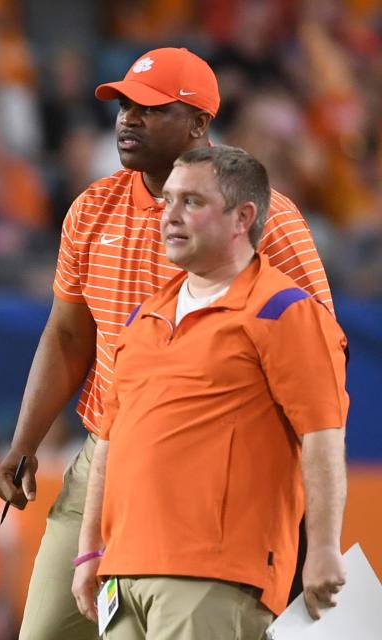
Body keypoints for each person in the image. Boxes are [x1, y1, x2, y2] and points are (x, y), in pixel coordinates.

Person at [0, 47, 332, 640]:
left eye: (149, 108)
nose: (127, 118)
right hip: (105, 458)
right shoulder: (92, 208)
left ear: (199, 124)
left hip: (209, 471)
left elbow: (320, 351)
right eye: (124, 104)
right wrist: (25, 442)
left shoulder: (262, 218)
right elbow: (69, 333)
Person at [71, 145, 348, 638]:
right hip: (124, 572)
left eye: (191, 202)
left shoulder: (285, 311)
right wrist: (90, 549)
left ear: (243, 218)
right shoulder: (144, 317)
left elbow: (323, 434)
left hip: (213, 573)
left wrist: (324, 547)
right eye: (168, 200)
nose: (168, 215)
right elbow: (109, 443)